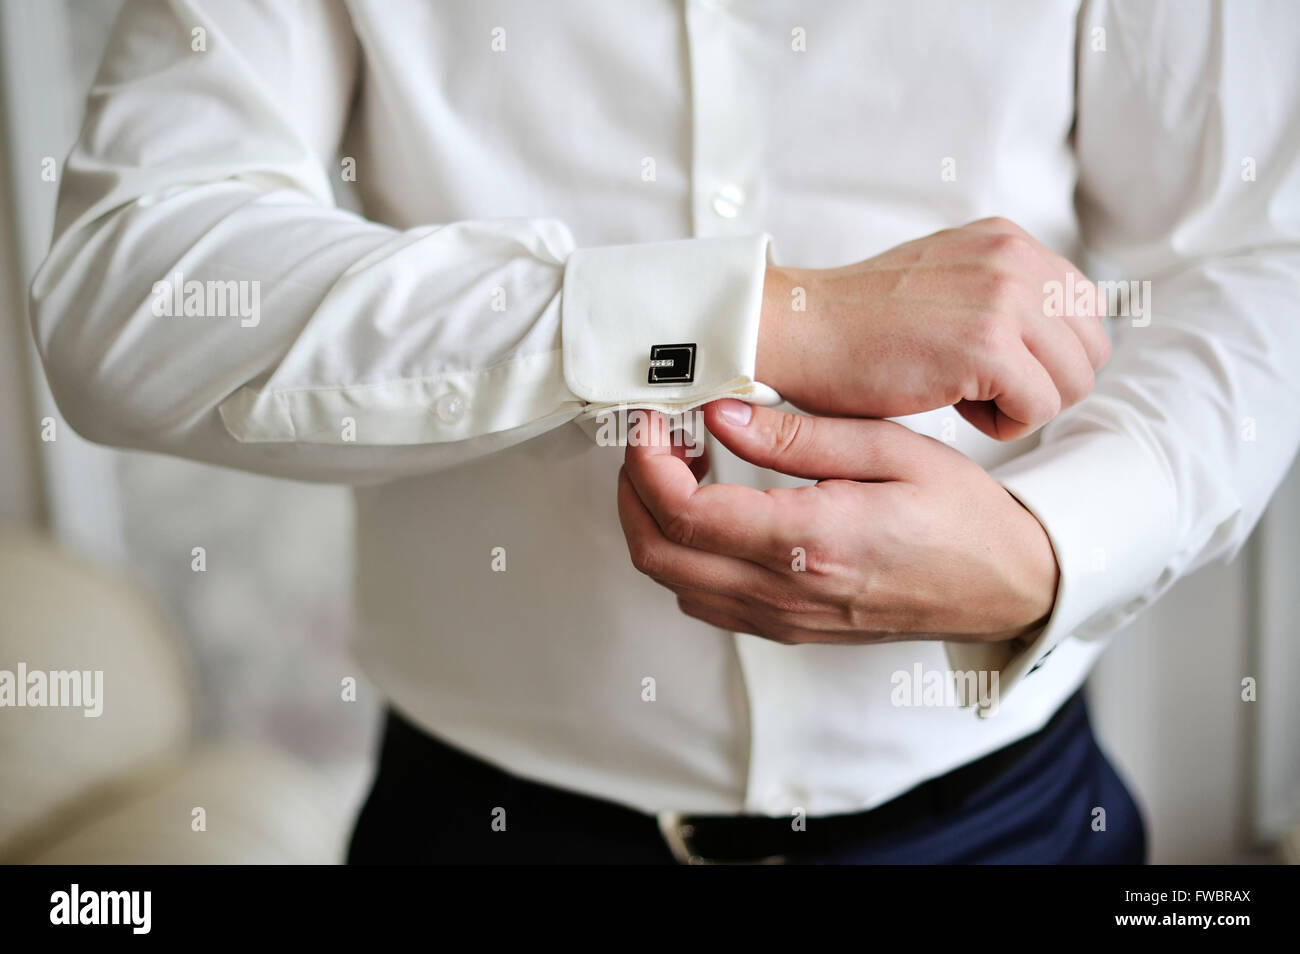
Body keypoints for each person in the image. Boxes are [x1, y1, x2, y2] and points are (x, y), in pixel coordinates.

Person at [31, 0, 1300, 864]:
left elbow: (1258, 251)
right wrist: (756, 315)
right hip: (481, 826)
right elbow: (130, 281)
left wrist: (1050, 550)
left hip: (1004, 823)